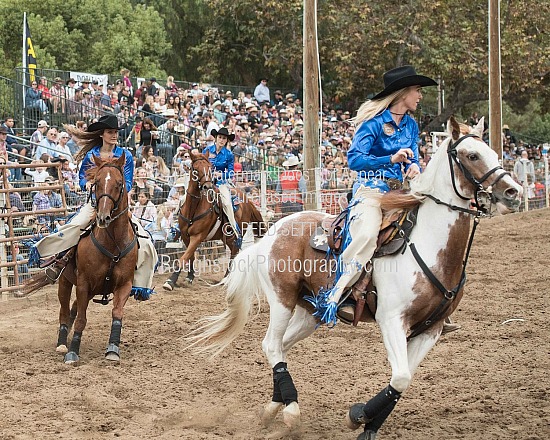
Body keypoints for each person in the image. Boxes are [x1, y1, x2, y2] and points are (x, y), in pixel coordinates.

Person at [315, 65, 458, 333]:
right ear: (403, 93)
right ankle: (338, 294)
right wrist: (389, 159)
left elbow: (412, 156)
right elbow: (355, 159)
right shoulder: (374, 123)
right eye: (417, 90)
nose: (420, 95)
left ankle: (431, 301)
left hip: (400, 191)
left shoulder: (411, 125)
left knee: (430, 226)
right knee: (367, 235)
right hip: (371, 191)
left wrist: (413, 165)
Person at [28, 115, 157, 298]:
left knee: (144, 240)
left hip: (118, 205)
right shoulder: (92, 155)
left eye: (115, 132)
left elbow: (128, 181)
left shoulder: (125, 155)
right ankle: (58, 260)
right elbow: (81, 177)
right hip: (95, 203)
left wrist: (115, 192)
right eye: (110, 132)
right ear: (102, 134)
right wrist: (86, 184)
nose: (114, 135)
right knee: (75, 226)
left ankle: (139, 281)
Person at [201, 127, 241, 242]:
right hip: (206, 181)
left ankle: (234, 229)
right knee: (188, 197)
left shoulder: (229, 154)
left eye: (224, 138)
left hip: (221, 183)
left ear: (226, 141)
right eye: (220, 137)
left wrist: (221, 175)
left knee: (227, 203)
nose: (221, 140)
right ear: (216, 138)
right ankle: (178, 227)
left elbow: (231, 172)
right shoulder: (207, 150)